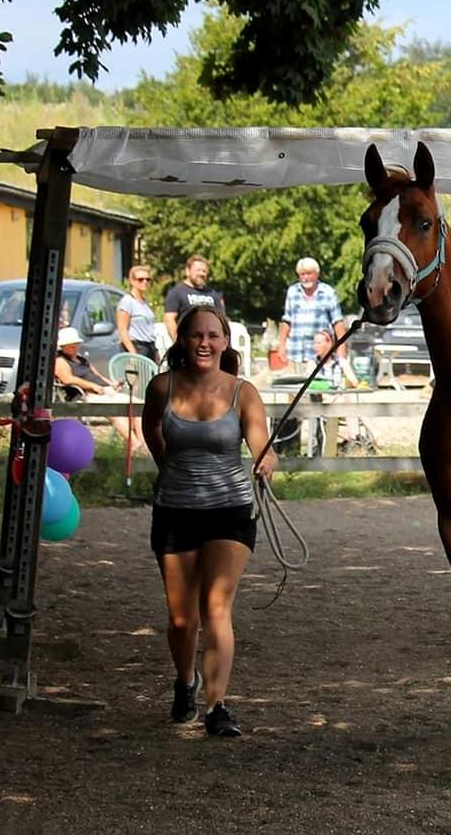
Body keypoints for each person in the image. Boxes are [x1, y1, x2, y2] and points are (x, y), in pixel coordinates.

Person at [142, 305, 277, 738]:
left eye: (213, 335)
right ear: (182, 340)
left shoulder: (243, 392)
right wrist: (169, 467)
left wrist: (266, 457)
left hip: (230, 510)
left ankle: (217, 706)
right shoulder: (162, 387)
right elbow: (151, 430)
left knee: (216, 606)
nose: (204, 342)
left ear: (225, 342)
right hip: (176, 510)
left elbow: (259, 440)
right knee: (182, 619)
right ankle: (185, 684)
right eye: (196, 335)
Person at [54, 326, 146, 453]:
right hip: (86, 395)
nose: (74, 348)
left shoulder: (82, 359)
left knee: (139, 405)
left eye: (75, 344)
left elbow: (97, 375)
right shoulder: (60, 361)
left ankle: (142, 444)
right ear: (63, 346)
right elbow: (68, 379)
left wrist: (111, 384)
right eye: (70, 345)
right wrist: (92, 386)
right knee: (116, 411)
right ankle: (135, 444)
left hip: (104, 391)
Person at [276, 257, 347, 373]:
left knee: (319, 389)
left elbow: (338, 323)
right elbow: (286, 321)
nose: (305, 278)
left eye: (308, 274)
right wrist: (282, 346)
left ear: (317, 274)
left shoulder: (328, 293)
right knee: (295, 389)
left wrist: (341, 351)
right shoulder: (292, 292)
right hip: (296, 352)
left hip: (320, 356)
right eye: (302, 274)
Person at [163, 255, 225, 343]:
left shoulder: (212, 294)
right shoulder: (176, 292)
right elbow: (169, 319)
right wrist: (178, 342)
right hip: (189, 342)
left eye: (204, 271)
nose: (202, 274)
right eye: (198, 270)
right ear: (188, 271)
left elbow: (222, 320)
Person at [117, 264, 159, 362]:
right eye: (140, 279)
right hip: (137, 346)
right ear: (132, 281)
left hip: (149, 346)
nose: (145, 282)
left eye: (147, 279)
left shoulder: (145, 302)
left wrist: (155, 351)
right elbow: (122, 329)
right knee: (137, 377)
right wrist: (132, 352)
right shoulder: (127, 301)